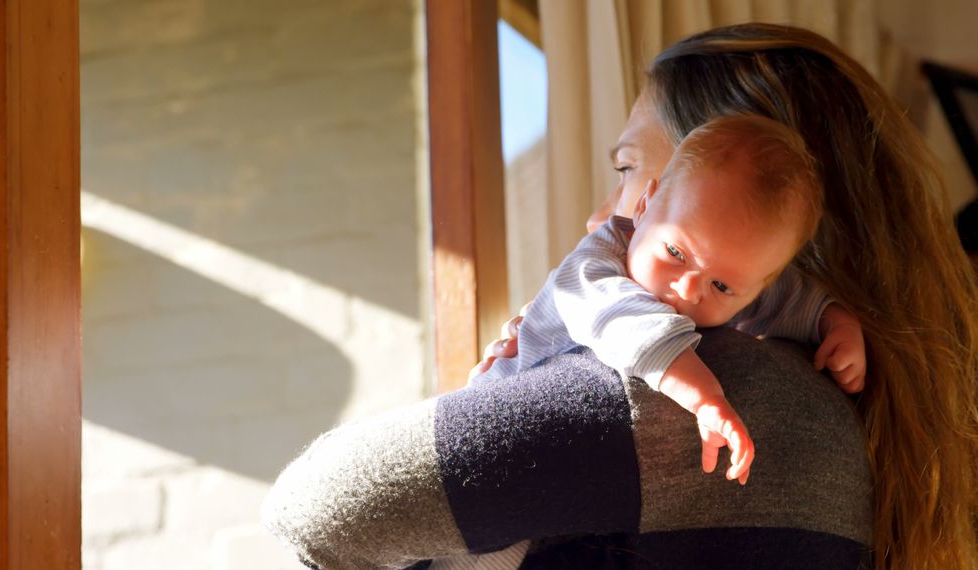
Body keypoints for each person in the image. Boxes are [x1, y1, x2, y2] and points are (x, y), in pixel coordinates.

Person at [262, 23, 978, 569]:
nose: (601, 215)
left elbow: (316, 504)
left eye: (629, 167)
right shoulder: (836, 424)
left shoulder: (706, 395)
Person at [474, 113, 867, 487]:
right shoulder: (592, 268)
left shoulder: (730, 274)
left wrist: (834, 323)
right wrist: (706, 398)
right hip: (492, 426)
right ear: (644, 208)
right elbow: (629, 324)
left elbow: (788, 301)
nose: (688, 289)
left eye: (722, 287)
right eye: (676, 254)